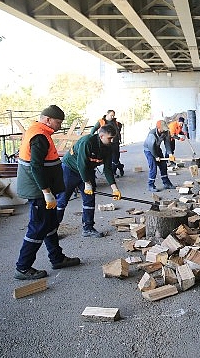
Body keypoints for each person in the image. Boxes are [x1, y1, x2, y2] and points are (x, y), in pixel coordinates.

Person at [14, 105, 80, 280]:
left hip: (43, 189)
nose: (59, 126)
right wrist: (46, 192)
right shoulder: (39, 136)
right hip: (38, 190)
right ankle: (23, 267)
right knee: (38, 227)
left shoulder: (41, 132)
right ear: (47, 119)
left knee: (50, 225)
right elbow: (36, 166)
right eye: (58, 122)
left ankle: (57, 258)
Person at [56, 124, 122, 238]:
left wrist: (114, 188)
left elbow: (107, 169)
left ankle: (88, 228)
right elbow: (81, 165)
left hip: (88, 170)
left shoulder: (108, 147)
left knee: (89, 199)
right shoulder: (87, 142)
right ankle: (52, 229)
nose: (112, 141)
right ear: (101, 136)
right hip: (70, 169)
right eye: (109, 138)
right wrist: (87, 183)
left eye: (113, 138)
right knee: (62, 200)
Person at [91, 109, 124, 177]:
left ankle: (119, 167)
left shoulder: (116, 122)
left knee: (116, 158)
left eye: (113, 116)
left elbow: (119, 128)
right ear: (107, 114)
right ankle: (112, 172)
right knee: (108, 158)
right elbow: (93, 130)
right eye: (111, 115)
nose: (112, 117)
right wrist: (91, 138)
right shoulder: (101, 121)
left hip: (115, 143)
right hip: (105, 143)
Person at [144, 120, 175, 192]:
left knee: (163, 165)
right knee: (153, 167)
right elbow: (151, 146)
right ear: (158, 128)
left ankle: (166, 183)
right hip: (149, 150)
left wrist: (170, 154)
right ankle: (150, 185)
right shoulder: (152, 134)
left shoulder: (166, 132)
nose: (164, 130)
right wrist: (155, 156)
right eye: (163, 129)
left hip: (157, 149)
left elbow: (167, 143)